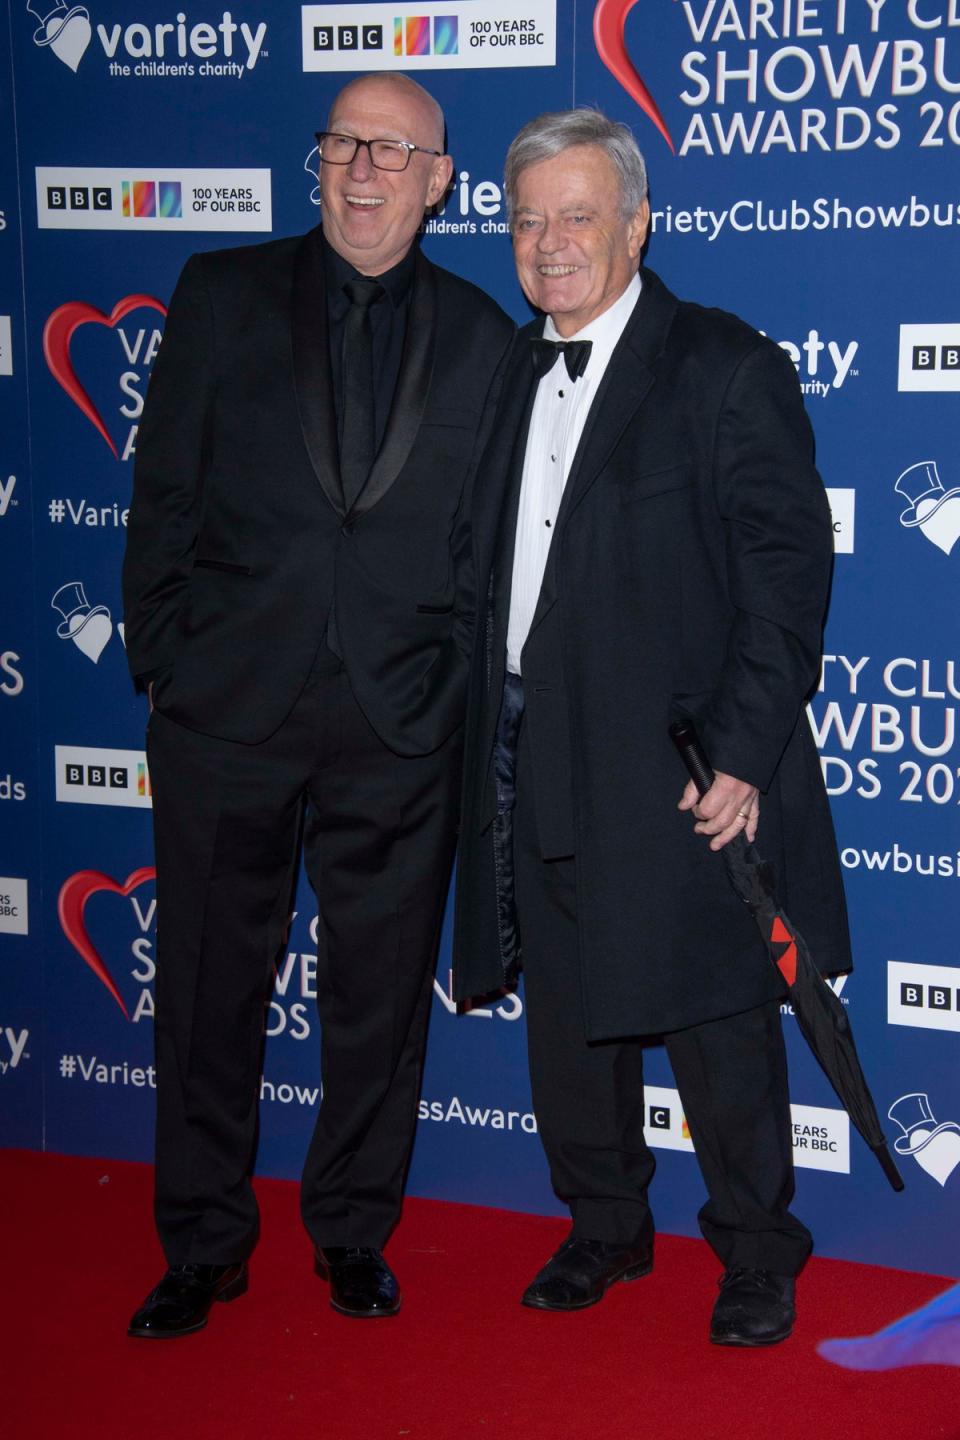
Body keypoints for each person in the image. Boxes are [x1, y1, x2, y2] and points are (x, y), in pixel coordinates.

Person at [122, 73, 513, 1338]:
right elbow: (161, 502)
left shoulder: (484, 334)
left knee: (381, 997)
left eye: (395, 150)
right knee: (204, 985)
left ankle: (351, 1228)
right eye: (344, 141)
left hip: (399, 724)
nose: (364, 169)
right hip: (227, 708)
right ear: (317, 159)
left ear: (440, 180)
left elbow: (487, 554)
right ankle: (202, 1242)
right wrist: (167, 666)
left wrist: (450, 690)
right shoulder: (220, 294)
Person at [452, 108, 851, 1347]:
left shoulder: (725, 365)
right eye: (527, 220)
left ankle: (754, 1249)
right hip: (529, 744)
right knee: (569, 1004)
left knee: (716, 1012)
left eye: (578, 216)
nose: (549, 243)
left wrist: (742, 754)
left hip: (678, 765)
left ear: (636, 225)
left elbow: (787, 577)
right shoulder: (505, 369)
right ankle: (605, 1225)